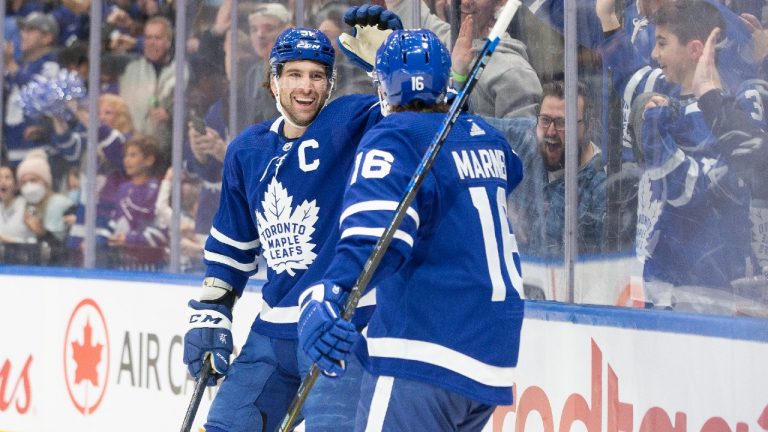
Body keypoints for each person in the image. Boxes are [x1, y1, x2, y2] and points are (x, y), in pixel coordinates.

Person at [182, 15, 402, 432]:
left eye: (318, 76)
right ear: (273, 80)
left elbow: (424, 118)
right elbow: (232, 249)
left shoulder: (355, 121)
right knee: (229, 424)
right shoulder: (247, 151)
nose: (306, 87)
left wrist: (395, 72)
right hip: (273, 329)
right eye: (295, 74)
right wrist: (213, 310)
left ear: (331, 83)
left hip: (341, 324)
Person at [297, 28, 524, 432]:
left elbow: (378, 238)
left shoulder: (394, 136)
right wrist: (448, 103)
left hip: (423, 349)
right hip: (489, 357)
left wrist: (329, 294)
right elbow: (513, 169)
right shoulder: (484, 136)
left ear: (384, 87)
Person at [614, 1, 767, 306]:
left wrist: (656, 133)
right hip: (661, 283)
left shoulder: (732, 115)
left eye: (662, 43)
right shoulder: (666, 102)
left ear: (695, 49)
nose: (654, 54)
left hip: (712, 290)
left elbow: (691, 190)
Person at [486, 81, 607, 258]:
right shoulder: (527, 137)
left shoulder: (600, 187)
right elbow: (472, 126)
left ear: (589, 126)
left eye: (562, 122)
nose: (550, 131)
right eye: (545, 120)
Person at [383, 0, 542, 118]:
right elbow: (404, 6)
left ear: (500, 3)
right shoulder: (444, 42)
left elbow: (521, 149)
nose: (465, 2)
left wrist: (459, 77)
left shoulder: (514, 72)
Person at [3, 12, 61, 173]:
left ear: (47, 38)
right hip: (13, 151)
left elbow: (43, 95)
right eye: (22, 30)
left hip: (40, 153)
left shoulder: (51, 64)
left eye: (30, 30)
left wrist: (12, 66)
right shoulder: (21, 66)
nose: (23, 34)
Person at [118, 16, 179, 153]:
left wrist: (169, 117)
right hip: (132, 148)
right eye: (148, 37)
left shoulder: (181, 71)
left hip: (164, 151)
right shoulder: (131, 70)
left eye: (157, 38)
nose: (152, 43)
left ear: (168, 42)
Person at [15, 149, 75, 265]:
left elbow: (66, 248)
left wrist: (42, 233)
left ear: (46, 181)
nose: (29, 186)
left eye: (33, 180)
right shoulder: (23, 206)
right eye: (23, 182)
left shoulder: (63, 204)